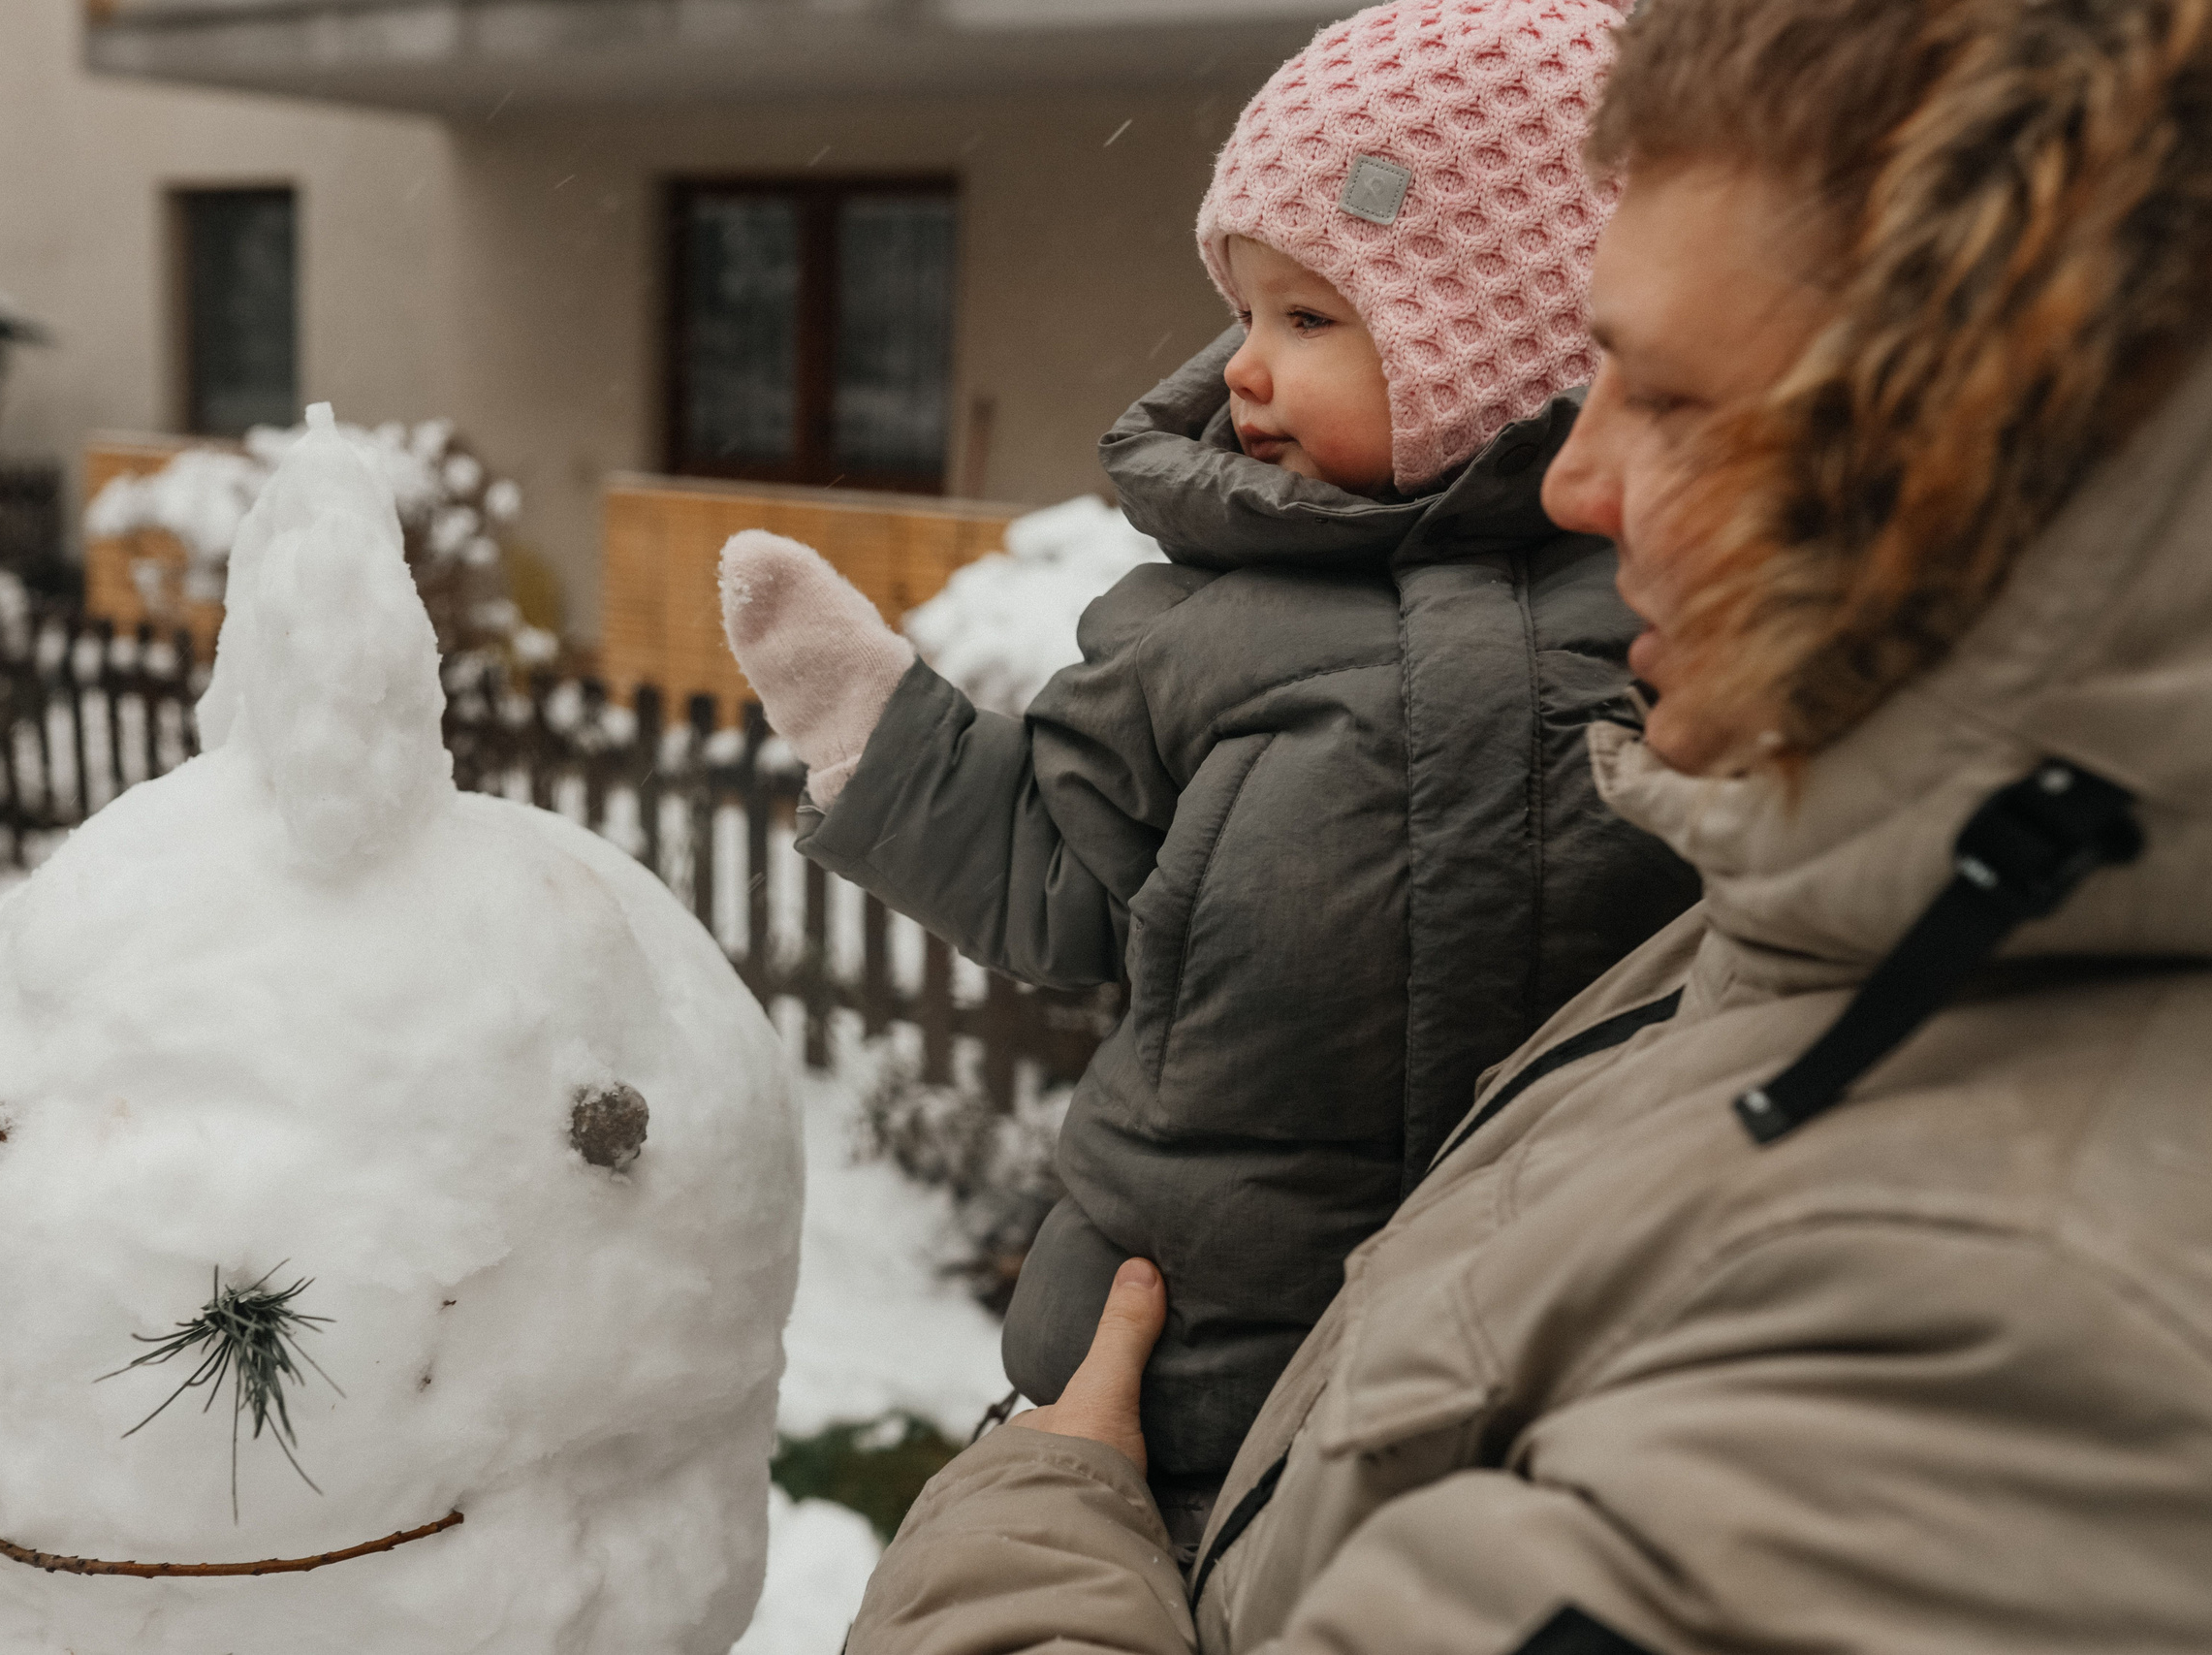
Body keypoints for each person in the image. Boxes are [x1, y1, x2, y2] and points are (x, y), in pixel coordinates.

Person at [839, 0, 2212, 1649]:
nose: (1571, 480)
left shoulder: (2013, 1330)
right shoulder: (1813, 921)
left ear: (1996, 478)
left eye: (1677, 402)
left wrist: (1026, 1539)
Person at [718, 0, 1695, 1552]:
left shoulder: (1687, 613)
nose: (1242, 370)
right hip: (1186, 1368)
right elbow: (1062, 883)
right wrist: (883, 740)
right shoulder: (1197, 626)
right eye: (1244, 312)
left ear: (1519, 331)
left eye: (1312, 320)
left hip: (1571, 1379)